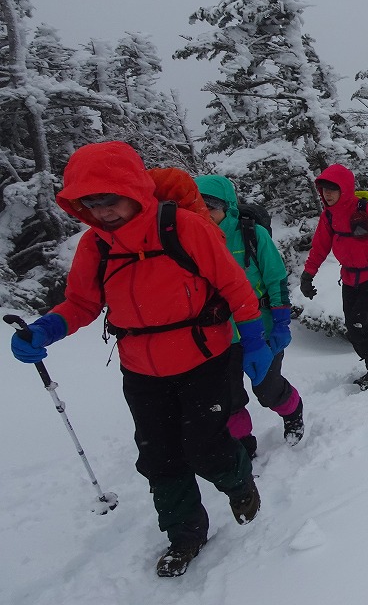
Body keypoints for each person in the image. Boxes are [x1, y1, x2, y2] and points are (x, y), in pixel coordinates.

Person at [8, 142, 272, 577]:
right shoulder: (96, 245)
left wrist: (256, 340)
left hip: (204, 360)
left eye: (109, 198)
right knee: (159, 457)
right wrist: (46, 329)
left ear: (133, 189)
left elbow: (235, 286)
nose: (102, 211)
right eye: (91, 203)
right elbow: (81, 303)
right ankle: (185, 535)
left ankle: (238, 481)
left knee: (205, 447)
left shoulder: (184, 227)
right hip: (141, 370)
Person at [195, 175, 304, 456]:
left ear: (227, 207)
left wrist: (281, 323)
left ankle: (293, 412)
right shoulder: (191, 239)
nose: (205, 213)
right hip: (219, 335)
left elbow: (276, 279)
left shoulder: (252, 234)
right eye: (198, 206)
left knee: (267, 390)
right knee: (229, 398)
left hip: (261, 327)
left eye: (211, 206)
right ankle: (243, 444)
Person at [299, 165, 368, 390]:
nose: (327, 194)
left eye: (332, 189)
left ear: (345, 189)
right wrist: (308, 275)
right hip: (350, 277)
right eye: (324, 189)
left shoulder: (367, 210)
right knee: (353, 326)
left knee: (359, 323)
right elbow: (319, 247)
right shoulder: (329, 216)